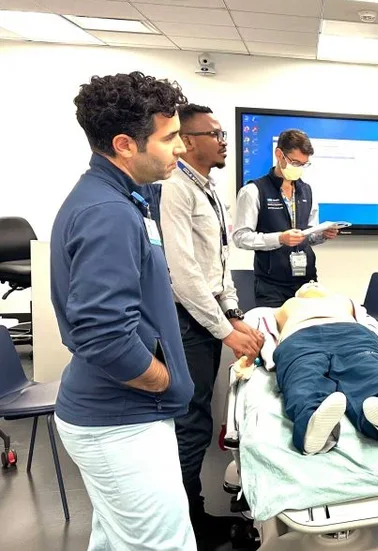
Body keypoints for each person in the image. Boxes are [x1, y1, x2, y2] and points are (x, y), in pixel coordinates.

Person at [51, 72, 196, 550]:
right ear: (124, 144)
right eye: (170, 137)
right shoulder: (107, 212)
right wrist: (164, 380)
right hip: (120, 420)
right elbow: (103, 336)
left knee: (117, 540)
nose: (181, 147)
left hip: (119, 415)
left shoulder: (125, 197)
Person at [158, 104, 264, 547]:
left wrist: (234, 314)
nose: (225, 141)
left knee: (200, 415)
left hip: (209, 316)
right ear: (188, 140)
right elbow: (185, 278)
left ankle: (192, 512)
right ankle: (189, 523)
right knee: (191, 421)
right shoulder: (175, 191)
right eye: (216, 133)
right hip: (188, 323)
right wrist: (225, 329)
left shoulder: (207, 188)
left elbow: (218, 265)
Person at [258, 282, 378, 455]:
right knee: (303, 378)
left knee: (370, 373)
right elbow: (266, 331)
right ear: (297, 294)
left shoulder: (344, 301)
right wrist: (269, 358)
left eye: (316, 283)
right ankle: (313, 422)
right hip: (301, 340)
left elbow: (368, 322)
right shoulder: (286, 306)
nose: (311, 283)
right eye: (306, 285)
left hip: (351, 335)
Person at [233, 129, 339, 308]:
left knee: (307, 332)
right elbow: (240, 237)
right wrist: (280, 238)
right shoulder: (253, 191)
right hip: (271, 286)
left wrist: (322, 234)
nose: (298, 168)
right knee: (276, 334)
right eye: (295, 162)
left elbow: (308, 235)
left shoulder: (307, 191)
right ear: (279, 154)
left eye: (304, 164)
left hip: (307, 283)